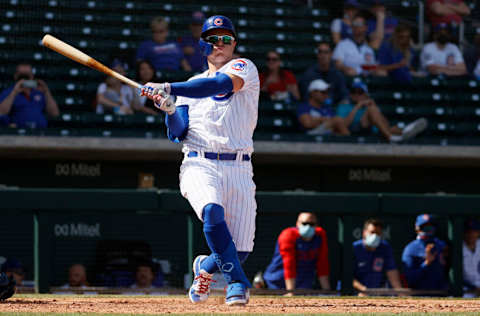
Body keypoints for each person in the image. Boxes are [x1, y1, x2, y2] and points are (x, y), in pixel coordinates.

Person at [141, 15, 259, 306]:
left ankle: (204, 268)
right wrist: (169, 109)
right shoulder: (190, 84)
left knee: (239, 251)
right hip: (199, 162)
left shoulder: (244, 68)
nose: (220, 44)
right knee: (211, 211)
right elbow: (179, 132)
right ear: (203, 46)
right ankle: (236, 283)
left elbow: (217, 84)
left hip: (240, 166)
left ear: (234, 44)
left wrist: (168, 87)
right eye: (213, 39)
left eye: (226, 39)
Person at [336, 81, 427, 142]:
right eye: (353, 92)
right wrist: (357, 106)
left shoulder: (370, 108)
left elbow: (385, 126)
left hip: (368, 130)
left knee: (391, 128)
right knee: (372, 111)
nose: (356, 95)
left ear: (365, 95)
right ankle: (392, 137)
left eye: (360, 92)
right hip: (352, 130)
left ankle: (405, 131)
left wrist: (375, 107)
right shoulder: (344, 106)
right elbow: (344, 125)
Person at [262, 212, 330, 292]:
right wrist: (290, 291)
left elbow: (322, 264)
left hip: (304, 281)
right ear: (297, 223)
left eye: (312, 224)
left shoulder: (320, 235)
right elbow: (289, 264)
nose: (308, 226)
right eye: (304, 223)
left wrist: (327, 291)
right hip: (278, 280)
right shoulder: (288, 235)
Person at [0, 62, 59, 128]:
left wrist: (46, 91)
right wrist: (14, 92)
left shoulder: (40, 92)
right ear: (15, 76)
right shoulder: (8, 92)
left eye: (27, 76)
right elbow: (1, 112)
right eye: (22, 76)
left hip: (40, 132)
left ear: (32, 76)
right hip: (18, 133)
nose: (24, 79)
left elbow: (54, 113)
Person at [353, 218, 403, 296]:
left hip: (379, 293)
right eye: (372, 232)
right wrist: (363, 290)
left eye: (378, 233)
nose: (375, 236)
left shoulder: (385, 247)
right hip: (357, 292)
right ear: (364, 233)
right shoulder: (355, 248)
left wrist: (400, 293)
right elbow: (348, 276)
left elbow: (392, 272)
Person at [401, 214, 449, 294]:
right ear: (417, 228)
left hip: (441, 293)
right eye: (424, 227)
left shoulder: (441, 245)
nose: (428, 229)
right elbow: (409, 279)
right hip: (419, 294)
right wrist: (426, 263)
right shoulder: (411, 248)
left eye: (431, 226)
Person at [462, 218, 480, 297]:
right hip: (465, 290)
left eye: (474, 232)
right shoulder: (459, 246)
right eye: (468, 232)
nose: (471, 234)